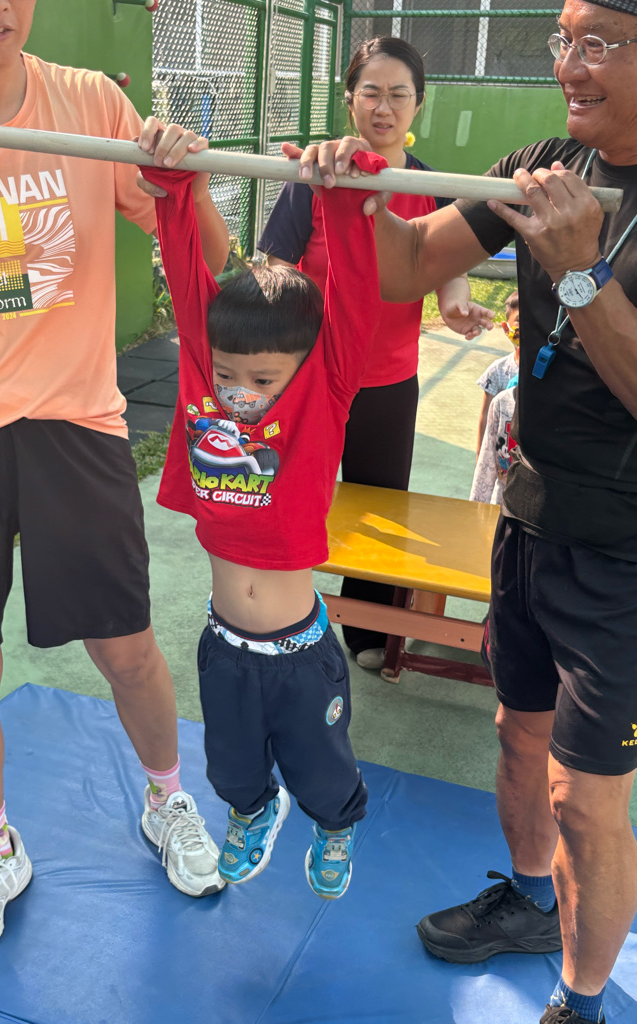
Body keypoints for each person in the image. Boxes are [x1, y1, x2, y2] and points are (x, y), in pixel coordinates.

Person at [293, 0, 637, 1019]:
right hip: (529, 518)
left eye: (599, 44)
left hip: (624, 552)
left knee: (587, 798)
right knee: (518, 736)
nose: (570, 65)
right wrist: (356, 190)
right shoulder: (542, 164)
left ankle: (582, 1001)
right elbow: (407, 263)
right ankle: (530, 900)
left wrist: (581, 272)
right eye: (564, 41)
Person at [0, 0, 231, 960]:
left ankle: (168, 800)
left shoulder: (89, 102)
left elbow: (210, 259)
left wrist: (185, 184)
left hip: (73, 415)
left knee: (127, 647)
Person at [139, 149, 392, 900]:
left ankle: (336, 824)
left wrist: (339, 203)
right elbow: (188, 282)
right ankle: (253, 813)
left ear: (304, 368)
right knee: (231, 768)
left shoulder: (321, 396)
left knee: (322, 769)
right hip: (225, 646)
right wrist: (176, 191)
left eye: (260, 380)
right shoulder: (204, 383)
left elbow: (354, 304)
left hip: (300, 654)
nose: (238, 393)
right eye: (226, 375)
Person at [258, 37, 494, 672]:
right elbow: (275, 267)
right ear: (349, 100)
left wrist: (455, 304)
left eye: (398, 94)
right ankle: (272, 607)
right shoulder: (316, 176)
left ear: (419, 103)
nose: (383, 107)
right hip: (310, 376)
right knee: (289, 488)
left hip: (388, 379)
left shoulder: (430, 185)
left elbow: (447, 266)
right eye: (370, 93)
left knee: (378, 501)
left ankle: (366, 629)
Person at [476, 290, 520, 454]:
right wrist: (480, 456)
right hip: (504, 455)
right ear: (506, 328)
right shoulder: (497, 371)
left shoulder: (551, 371)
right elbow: (485, 416)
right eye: (519, 321)